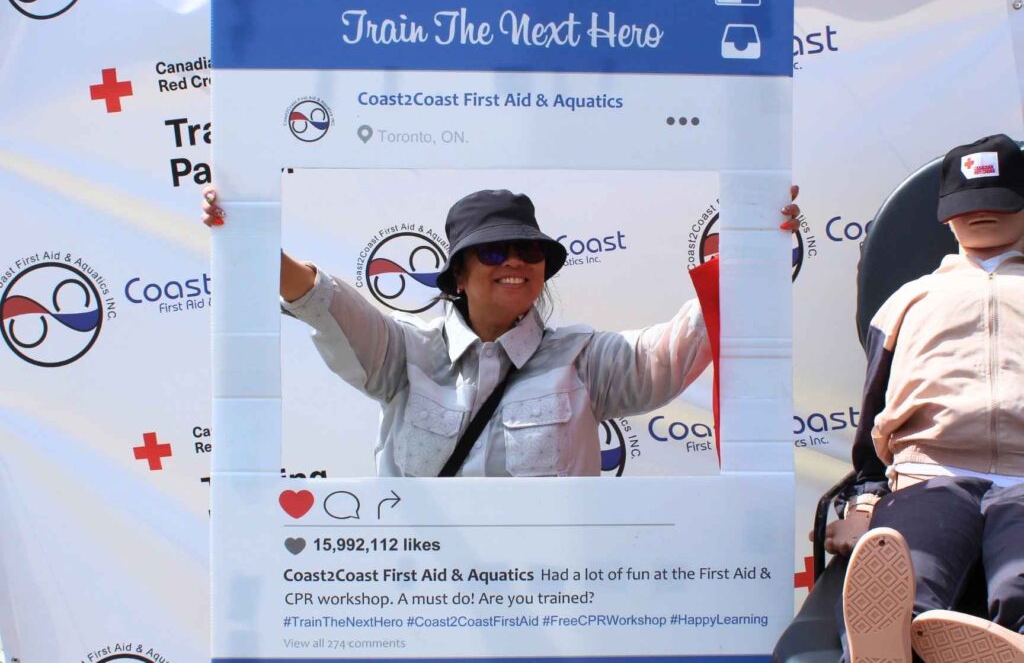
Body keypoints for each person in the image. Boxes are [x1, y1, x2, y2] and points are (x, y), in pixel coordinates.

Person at [203, 187, 800, 477]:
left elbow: (689, 338)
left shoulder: (587, 359)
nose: (514, 261)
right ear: (458, 275)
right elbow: (322, 301)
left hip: (553, 615)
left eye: (528, 250)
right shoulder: (402, 352)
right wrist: (251, 237)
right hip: (424, 613)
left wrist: (754, 246)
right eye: (492, 250)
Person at [826, 134, 1024, 662]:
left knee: (1019, 584)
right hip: (928, 476)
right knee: (904, 578)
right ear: (946, 216)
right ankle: (888, 650)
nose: (982, 214)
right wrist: (864, 506)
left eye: (998, 200)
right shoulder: (909, 300)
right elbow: (874, 417)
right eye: (969, 203)